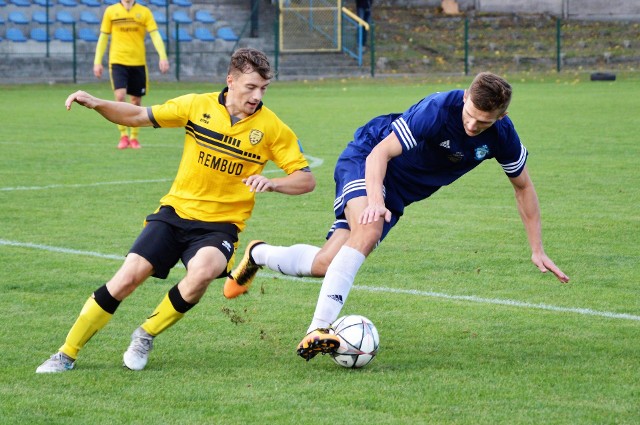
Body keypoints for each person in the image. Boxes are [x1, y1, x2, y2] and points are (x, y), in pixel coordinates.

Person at [223, 72, 570, 362]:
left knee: (327, 264)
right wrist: (375, 199)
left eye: (484, 122)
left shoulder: (503, 136)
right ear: (465, 97)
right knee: (370, 226)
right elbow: (380, 153)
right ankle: (318, 327)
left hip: (399, 193)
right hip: (368, 158)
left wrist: (537, 249)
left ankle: (258, 254)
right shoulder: (437, 109)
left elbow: (523, 188)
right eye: (470, 114)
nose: (472, 125)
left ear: (500, 118)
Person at [36, 48, 316, 373]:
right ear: (231, 81)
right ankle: (66, 354)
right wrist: (98, 103)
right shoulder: (197, 106)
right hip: (174, 213)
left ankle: (145, 334)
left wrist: (274, 183)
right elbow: (137, 115)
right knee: (127, 278)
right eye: (250, 87)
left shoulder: (272, 129)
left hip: (220, 226)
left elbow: (305, 179)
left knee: (204, 271)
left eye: (263, 89)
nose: (257, 96)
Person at [94, 0, 170, 149]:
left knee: (135, 101)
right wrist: (97, 61)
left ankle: (134, 137)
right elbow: (103, 38)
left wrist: (163, 56)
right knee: (120, 96)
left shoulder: (144, 12)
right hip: (117, 61)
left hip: (138, 62)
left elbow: (155, 35)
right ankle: (123, 136)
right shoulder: (111, 11)